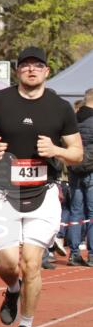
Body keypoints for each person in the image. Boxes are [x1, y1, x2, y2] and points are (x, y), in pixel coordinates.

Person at [0, 46, 82, 327]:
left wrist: (57, 151)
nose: (32, 71)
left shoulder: (60, 108)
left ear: (47, 71)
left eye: (38, 66)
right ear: (18, 71)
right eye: (26, 66)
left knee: (31, 263)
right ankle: (12, 288)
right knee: (8, 264)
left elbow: (77, 154)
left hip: (43, 193)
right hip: (3, 194)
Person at [66, 87, 93, 266]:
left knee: (75, 212)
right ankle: (92, 255)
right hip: (91, 169)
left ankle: (74, 253)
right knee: (91, 213)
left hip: (74, 168)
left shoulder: (73, 119)